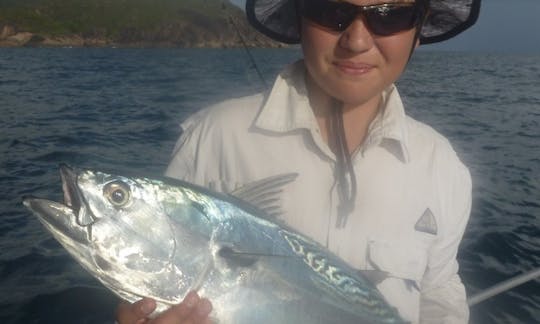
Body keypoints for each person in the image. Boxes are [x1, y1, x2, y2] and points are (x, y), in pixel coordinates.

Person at [117, 0, 481, 323]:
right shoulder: (214, 137)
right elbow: (150, 278)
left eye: (391, 16)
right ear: (299, 18)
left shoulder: (441, 165)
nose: (356, 41)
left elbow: (439, 293)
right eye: (331, 12)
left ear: (418, 29)